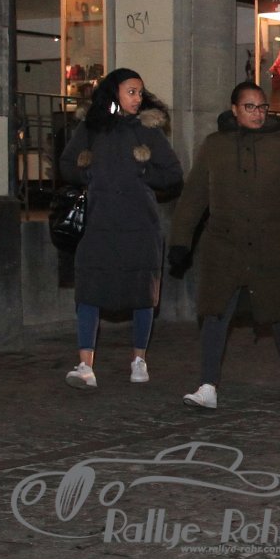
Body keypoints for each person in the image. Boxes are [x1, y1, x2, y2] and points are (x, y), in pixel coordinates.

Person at [168, 82, 280, 408]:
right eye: (249, 107)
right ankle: (207, 386)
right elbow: (194, 196)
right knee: (215, 312)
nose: (257, 113)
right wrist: (180, 240)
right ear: (234, 110)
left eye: (262, 107)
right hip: (224, 246)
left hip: (273, 243)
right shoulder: (214, 146)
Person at [58, 68, 184, 390]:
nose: (137, 98)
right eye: (131, 92)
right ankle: (85, 365)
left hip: (140, 224)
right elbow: (67, 165)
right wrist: (89, 175)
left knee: (142, 292)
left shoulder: (147, 130)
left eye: (140, 92)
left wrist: (143, 173)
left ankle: (139, 360)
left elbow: (173, 174)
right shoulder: (91, 128)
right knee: (89, 290)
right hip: (99, 223)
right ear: (114, 93)